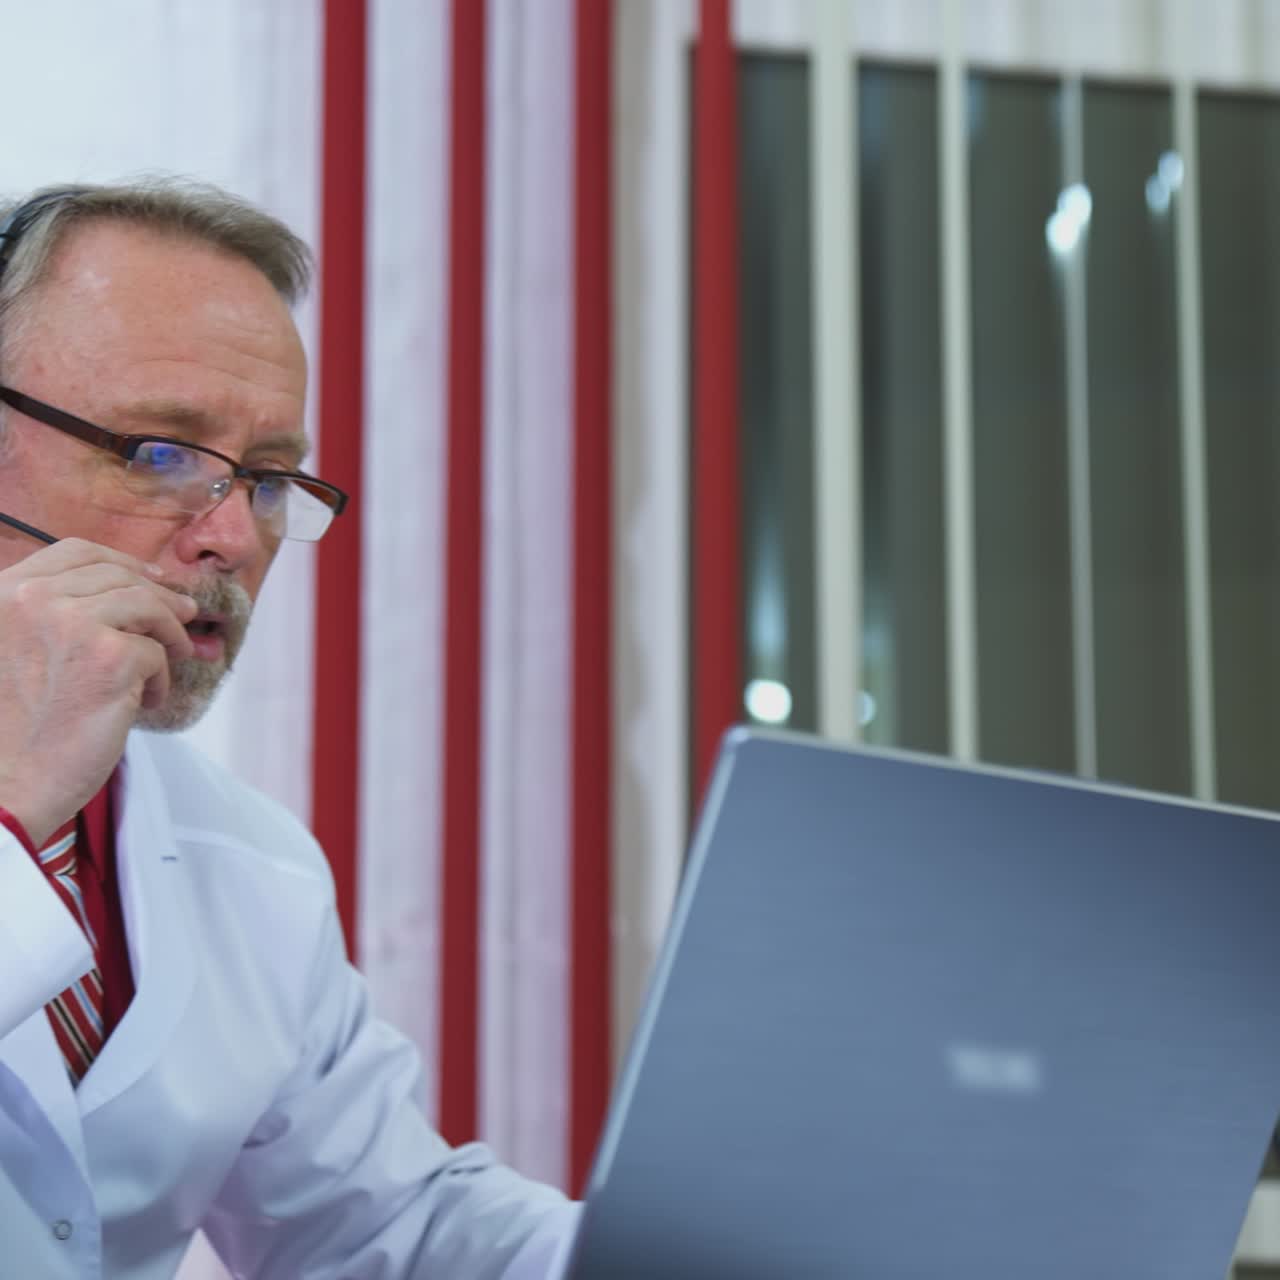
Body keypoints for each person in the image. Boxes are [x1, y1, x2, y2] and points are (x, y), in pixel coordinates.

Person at [0, 179, 579, 1279]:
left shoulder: (248, 863)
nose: (231, 536)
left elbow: (387, 1232)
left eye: (266, 479)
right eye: (158, 452)